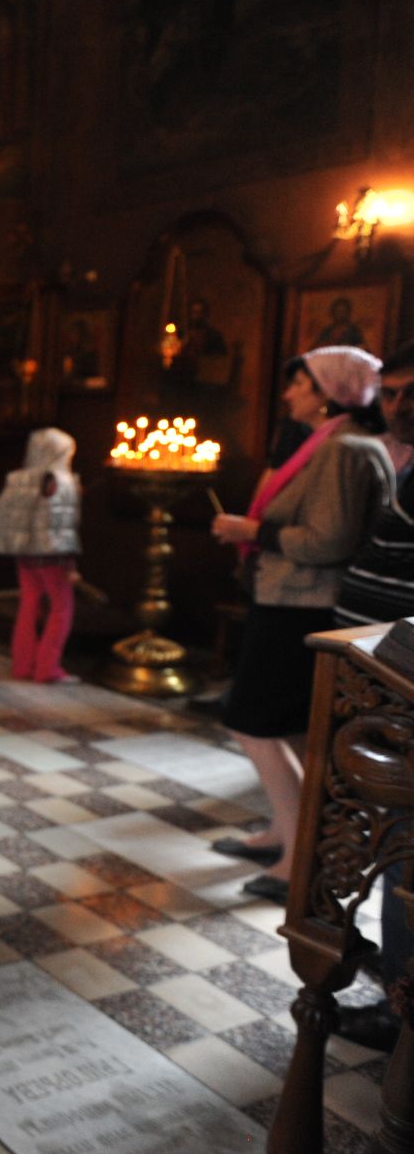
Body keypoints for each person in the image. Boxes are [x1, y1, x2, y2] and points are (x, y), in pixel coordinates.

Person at [210, 346, 392, 905]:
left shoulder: (342, 450)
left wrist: (253, 531)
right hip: (289, 600)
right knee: (289, 728)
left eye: (299, 385)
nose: (287, 394)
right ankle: (284, 833)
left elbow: (329, 539)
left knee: (252, 723)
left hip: (301, 606)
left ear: (327, 394)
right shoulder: (330, 444)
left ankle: (298, 858)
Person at [324, 344, 414, 1049]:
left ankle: (401, 1008)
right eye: (393, 391)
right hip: (377, 681)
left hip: (402, 691)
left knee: (406, 856)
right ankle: (395, 986)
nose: (401, 405)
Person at [0, 427, 82, 683]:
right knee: (61, 609)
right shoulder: (61, 480)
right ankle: (47, 668)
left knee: (28, 605)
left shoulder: (20, 477)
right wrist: (70, 564)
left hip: (24, 553)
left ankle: (23, 665)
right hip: (52, 556)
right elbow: (61, 525)